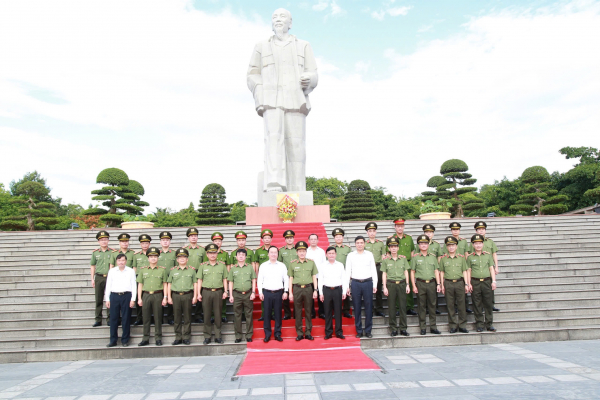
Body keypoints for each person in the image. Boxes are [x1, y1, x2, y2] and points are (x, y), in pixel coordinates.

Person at [247, 8, 318, 193]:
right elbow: (252, 74)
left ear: (290, 23)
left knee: (296, 145)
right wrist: (261, 92)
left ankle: (297, 188)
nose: (278, 20)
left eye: (282, 17)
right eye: (275, 17)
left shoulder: (303, 45)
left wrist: (309, 80)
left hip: (296, 99)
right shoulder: (261, 46)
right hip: (271, 99)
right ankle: (274, 184)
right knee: (273, 140)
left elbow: (313, 73)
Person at [346, 236, 378, 338]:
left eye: (361, 242)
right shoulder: (351, 255)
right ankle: (359, 330)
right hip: (355, 283)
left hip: (368, 282)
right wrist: (347, 286)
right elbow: (347, 271)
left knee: (369, 307)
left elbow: (373, 269)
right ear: (355, 244)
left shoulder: (369, 254)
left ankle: (368, 330)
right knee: (357, 307)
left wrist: (375, 284)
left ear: (364, 243)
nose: (359, 244)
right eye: (358, 243)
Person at [197, 243, 229, 345]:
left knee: (218, 314)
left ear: (217, 253)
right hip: (206, 292)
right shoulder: (203, 266)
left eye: (214, 253)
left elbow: (225, 279)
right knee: (206, 315)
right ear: (207, 254)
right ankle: (207, 336)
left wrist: (225, 291)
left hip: (218, 292)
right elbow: (199, 280)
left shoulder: (222, 266)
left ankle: (218, 336)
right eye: (210, 253)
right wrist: (198, 293)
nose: (212, 255)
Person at [137, 247, 168, 346]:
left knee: (158, 317)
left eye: (155, 256)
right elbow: (140, 284)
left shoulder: (162, 270)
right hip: (146, 295)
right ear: (148, 258)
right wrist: (139, 298)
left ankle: (158, 338)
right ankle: (145, 338)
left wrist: (165, 297)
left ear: (158, 258)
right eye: (151, 257)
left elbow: (165, 284)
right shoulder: (143, 270)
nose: (153, 258)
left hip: (158, 295)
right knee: (146, 317)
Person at [410, 235, 441, 335]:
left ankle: (433, 326)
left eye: (425, 243)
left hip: (432, 283)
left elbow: (436, 271)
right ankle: (422, 327)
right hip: (420, 283)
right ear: (418, 245)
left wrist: (439, 283)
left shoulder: (432, 257)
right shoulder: (415, 258)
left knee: (432, 305)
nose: (423, 245)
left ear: (428, 245)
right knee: (421, 306)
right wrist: (414, 285)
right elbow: (412, 272)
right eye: (421, 244)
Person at [288, 241, 318, 341]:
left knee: (309, 311)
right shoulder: (292, 264)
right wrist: (290, 292)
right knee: (298, 311)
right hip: (297, 289)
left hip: (308, 288)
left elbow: (314, 277)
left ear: (306, 252)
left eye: (303, 251)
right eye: (300, 251)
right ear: (296, 252)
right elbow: (290, 279)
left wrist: (315, 290)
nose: (302, 253)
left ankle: (308, 332)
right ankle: (300, 333)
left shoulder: (311, 262)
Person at [104, 253, 136, 347]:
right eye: (119, 260)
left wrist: (133, 299)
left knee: (126, 318)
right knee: (113, 318)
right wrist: (107, 299)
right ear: (116, 261)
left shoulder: (130, 271)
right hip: (114, 296)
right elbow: (108, 285)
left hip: (126, 295)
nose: (121, 262)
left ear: (126, 261)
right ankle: (113, 340)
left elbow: (133, 285)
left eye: (123, 260)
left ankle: (125, 340)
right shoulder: (112, 271)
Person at [258, 246, 289, 342]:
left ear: (278, 254)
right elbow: (260, 280)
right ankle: (267, 334)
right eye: (271, 252)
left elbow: (286, 279)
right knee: (266, 314)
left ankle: (277, 334)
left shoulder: (282, 265)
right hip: (267, 292)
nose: (273, 254)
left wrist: (286, 291)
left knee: (278, 314)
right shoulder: (263, 265)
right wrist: (260, 292)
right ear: (268, 254)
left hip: (278, 292)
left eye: (275, 252)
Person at [386, 219, 416, 316]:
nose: (400, 228)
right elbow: (388, 253)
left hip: (407, 263)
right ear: (395, 227)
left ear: (403, 227)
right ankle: (398, 307)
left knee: (409, 285)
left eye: (401, 226)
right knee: (397, 286)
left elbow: (412, 252)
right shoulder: (391, 238)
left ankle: (409, 307)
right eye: (398, 226)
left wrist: (411, 265)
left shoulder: (409, 238)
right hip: (396, 264)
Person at [468, 221, 500, 312]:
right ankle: (480, 306)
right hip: (477, 266)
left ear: (485, 230)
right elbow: (470, 254)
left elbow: (494, 254)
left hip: (488, 266)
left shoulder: (490, 242)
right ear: (476, 231)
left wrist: (496, 267)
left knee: (490, 286)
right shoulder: (473, 243)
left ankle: (491, 305)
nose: (481, 231)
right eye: (479, 230)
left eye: (483, 229)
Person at [467, 234, 497, 332]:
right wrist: (469, 283)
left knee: (488, 303)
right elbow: (469, 271)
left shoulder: (488, 255)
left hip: (486, 281)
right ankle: (479, 324)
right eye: (476, 244)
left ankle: (489, 324)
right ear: (473, 245)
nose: (478, 245)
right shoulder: (470, 257)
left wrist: (494, 281)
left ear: (482, 244)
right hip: (475, 282)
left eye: (480, 243)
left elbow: (491, 268)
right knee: (477, 303)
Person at [439, 236, 469, 334]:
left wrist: (466, 283)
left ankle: (462, 325)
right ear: (446, 247)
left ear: (456, 246)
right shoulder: (443, 259)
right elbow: (442, 272)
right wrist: (442, 284)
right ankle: (452, 325)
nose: (451, 247)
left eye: (453, 245)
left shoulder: (461, 258)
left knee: (461, 305)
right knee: (450, 305)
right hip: (448, 283)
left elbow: (464, 271)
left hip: (460, 282)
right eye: (449, 246)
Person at [167, 248, 197, 345]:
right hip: (176, 295)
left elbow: (195, 284)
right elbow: (169, 284)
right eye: (180, 257)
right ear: (177, 259)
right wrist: (169, 297)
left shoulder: (192, 271)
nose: (182, 259)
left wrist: (195, 296)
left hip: (188, 295)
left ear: (187, 259)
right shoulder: (173, 271)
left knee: (187, 317)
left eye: (184, 257)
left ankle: (186, 337)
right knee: (177, 317)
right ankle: (178, 337)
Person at [381, 237, 410, 337]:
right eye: (391, 247)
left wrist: (407, 285)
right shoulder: (385, 260)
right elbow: (384, 274)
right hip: (391, 284)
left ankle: (403, 328)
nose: (393, 248)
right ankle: (393, 328)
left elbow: (406, 272)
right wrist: (384, 287)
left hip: (402, 284)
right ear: (389, 248)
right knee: (392, 307)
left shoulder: (403, 259)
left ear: (398, 248)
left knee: (402, 307)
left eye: (395, 246)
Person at [228, 249, 257, 343]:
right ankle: (238, 336)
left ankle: (249, 335)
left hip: (248, 294)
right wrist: (231, 295)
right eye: (239, 255)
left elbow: (253, 280)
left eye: (243, 255)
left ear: (245, 257)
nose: (241, 256)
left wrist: (253, 292)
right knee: (237, 315)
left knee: (249, 315)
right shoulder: (233, 268)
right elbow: (231, 282)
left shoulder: (249, 267)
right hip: (237, 294)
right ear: (236, 257)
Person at [442, 222, 472, 313]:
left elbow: (466, 254)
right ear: (451, 231)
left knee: (463, 291)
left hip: (461, 267)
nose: (455, 231)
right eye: (453, 229)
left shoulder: (463, 241)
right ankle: (454, 308)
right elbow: (445, 255)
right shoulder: (447, 242)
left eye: (457, 229)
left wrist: (467, 268)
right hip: (451, 266)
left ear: (459, 230)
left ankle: (465, 306)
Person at [227, 231, 256, 323]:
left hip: (247, 279)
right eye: (239, 240)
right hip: (237, 280)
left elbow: (253, 266)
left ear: (245, 241)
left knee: (248, 312)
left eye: (243, 240)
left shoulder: (250, 252)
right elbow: (231, 266)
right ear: (236, 241)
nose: (241, 242)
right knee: (237, 313)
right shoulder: (233, 253)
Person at [318, 247, 347, 339]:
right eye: (329, 253)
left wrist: (344, 291)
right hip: (326, 290)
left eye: (333, 253)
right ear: (326, 255)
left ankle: (339, 332)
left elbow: (344, 279)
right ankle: (328, 332)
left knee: (338, 311)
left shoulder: (340, 265)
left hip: (337, 290)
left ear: (336, 254)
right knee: (328, 311)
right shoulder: (322, 265)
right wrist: (321, 293)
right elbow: (320, 280)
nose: (331, 255)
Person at [202, 232, 230, 323]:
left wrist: (227, 277)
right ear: (212, 242)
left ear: (221, 242)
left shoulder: (225, 253)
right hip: (211, 277)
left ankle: (223, 314)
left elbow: (228, 266)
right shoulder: (209, 253)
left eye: (219, 241)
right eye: (215, 241)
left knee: (222, 298)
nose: (217, 242)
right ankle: (213, 315)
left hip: (221, 277)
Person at [90, 231, 114, 327]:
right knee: (98, 299)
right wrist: (92, 279)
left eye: (105, 239)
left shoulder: (112, 252)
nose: (104, 242)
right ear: (98, 241)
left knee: (109, 298)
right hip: (99, 277)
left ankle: (109, 318)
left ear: (108, 240)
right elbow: (92, 266)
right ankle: (98, 319)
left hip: (109, 277)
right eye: (101, 240)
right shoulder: (95, 253)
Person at [183, 228, 206, 324]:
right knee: (188, 295)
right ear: (188, 238)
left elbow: (205, 262)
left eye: (195, 236)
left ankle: (198, 315)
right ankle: (187, 315)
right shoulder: (184, 249)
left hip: (198, 274)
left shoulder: (202, 249)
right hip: (187, 274)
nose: (193, 237)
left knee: (199, 295)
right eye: (191, 236)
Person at [364, 222, 386, 318]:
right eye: (370, 231)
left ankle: (379, 309)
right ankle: (369, 309)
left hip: (378, 267)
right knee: (368, 289)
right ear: (367, 233)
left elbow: (383, 256)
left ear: (376, 232)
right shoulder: (364, 244)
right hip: (367, 268)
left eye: (373, 231)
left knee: (378, 289)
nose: (372, 233)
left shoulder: (380, 243)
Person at [331, 228, 353, 319]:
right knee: (334, 293)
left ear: (343, 238)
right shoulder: (331, 248)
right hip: (334, 274)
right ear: (334, 238)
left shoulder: (347, 249)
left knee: (346, 291)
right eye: (336, 237)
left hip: (345, 273)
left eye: (340, 236)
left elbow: (351, 261)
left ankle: (346, 310)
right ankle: (335, 311)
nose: (338, 238)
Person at [422, 224, 443, 315]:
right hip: (424, 269)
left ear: (433, 234)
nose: (428, 234)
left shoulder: (436, 245)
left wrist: (438, 269)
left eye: (430, 232)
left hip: (434, 269)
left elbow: (439, 257)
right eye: (426, 232)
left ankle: (435, 307)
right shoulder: (421, 243)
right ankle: (426, 307)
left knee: (434, 289)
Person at [131, 234, 152, 325]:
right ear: (140, 244)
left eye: (146, 243)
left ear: (149, 244)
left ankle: (151, 317)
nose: (144, 245)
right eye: (143, 243)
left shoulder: (153, 254)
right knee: (138, 298)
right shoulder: (136, 255)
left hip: (150, 279)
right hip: (139, 279)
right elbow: (134, 268)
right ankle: (139, 317)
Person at [277, 230, 296, 320]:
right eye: (287, 238)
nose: (289, 240)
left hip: (297, 274)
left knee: (297, 294)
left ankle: (297, 313)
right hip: (285, 275)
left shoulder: (298, 248)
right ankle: (287, 313)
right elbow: (279, 263)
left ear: (293, 239)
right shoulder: (281, 250)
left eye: (291, 238)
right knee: (286, 294)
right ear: (285, 240)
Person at [157, 231, 176, 325]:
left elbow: (177, 267)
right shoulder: (156, 253)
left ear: (170, 242)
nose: (165, 242)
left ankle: (170, 317)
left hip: (171, 279)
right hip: (159, 279)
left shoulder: (174, 253)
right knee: (159, 299)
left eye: (167, 240)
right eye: (163, 240)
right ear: (160, 242)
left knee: (170, 299)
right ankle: (159, 318)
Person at [306, 234, 326, 319]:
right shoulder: (306, 251)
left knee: (320, 295)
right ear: (309, 241)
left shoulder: (321, 251)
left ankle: (322, 312)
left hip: (319, 276)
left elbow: (324, 264)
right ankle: (311, 313)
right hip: (309, 277)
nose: (313, 241)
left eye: (315, 239)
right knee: (310, 296)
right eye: (311, 239)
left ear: (318, 240)